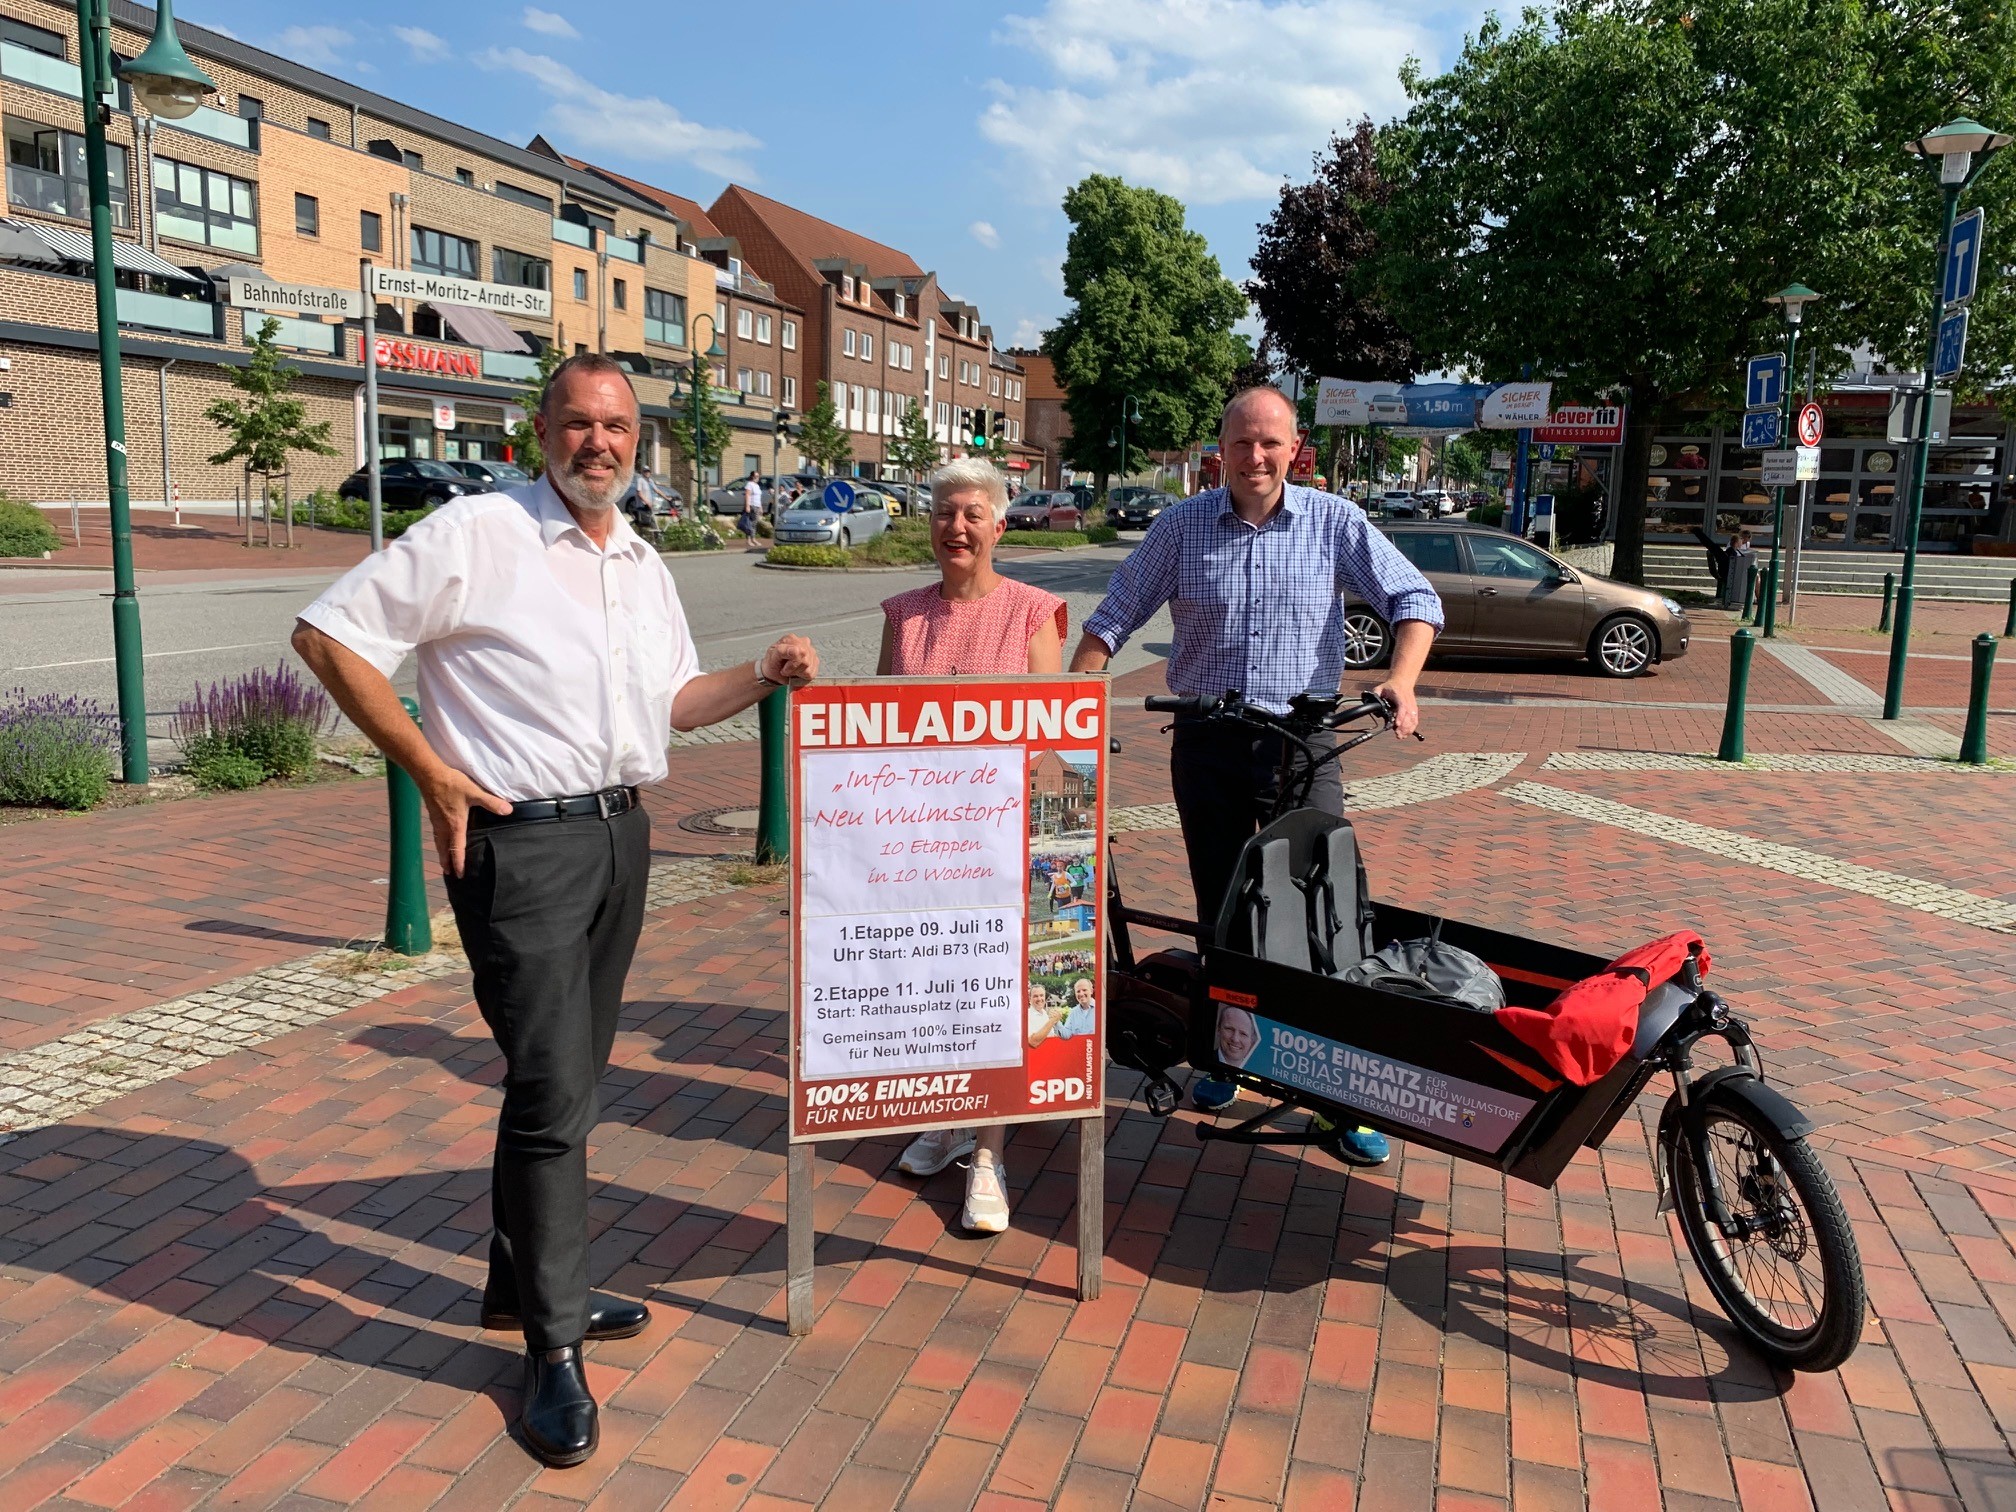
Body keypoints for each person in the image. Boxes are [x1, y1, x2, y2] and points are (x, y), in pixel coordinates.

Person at [291, 353, 819, 1469]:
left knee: (568, 1080)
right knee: (550, 1091)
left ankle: (521, 1282)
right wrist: (429, 770)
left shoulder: (639, 559)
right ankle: (553, 1346)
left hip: (621, 837)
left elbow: (675, 704)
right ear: (540, 433)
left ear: (639, 440)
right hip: (520, 845)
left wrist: (764, 673)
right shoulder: (480, 533)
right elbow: (329, 637)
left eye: (617, 426)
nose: (599, 442)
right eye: (578, 423)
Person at [1071, 385, 1443, 1166]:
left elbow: (1415, 596)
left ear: (1295, 447)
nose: (1256, 457)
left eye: (1271, 442)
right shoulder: (1180, 527)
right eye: (1242, 442)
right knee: (1221, 907)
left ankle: (1338, 1098)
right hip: (1207, 739)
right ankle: (1226, 1052)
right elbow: (1114, 616)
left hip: (1303, 743)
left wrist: (1402, 679)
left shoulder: (1335, 522)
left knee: (1326, 913)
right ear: (1222, 449)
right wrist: (1072, 698)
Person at [879, 457, 1067, 1232]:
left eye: (971, 514)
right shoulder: (903, 614)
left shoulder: (1032, 613)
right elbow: (876, 732)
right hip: (921, 841)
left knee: (992, 993)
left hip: (1000, 842)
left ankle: (989, 1153)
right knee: (932, 983)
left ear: (999, 523)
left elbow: (1054, 742)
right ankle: (947, 1116)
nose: (956, 527)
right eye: (943, 512)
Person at [738, 471, 763, 551]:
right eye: (756, 476)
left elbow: (758, 497)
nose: (757, 478)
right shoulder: (749, 484)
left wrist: (760, 507)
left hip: (757, 506)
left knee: (754, 524)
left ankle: (753, 539)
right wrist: (747, 506)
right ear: (752, 476)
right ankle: (749, 540)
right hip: (752, 506)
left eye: (758, 476)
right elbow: (747, 495)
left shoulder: (757, 486)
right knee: (749, 524)